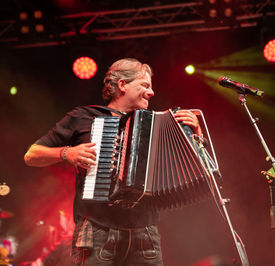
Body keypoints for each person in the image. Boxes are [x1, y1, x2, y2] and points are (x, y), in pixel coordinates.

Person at [24, 58, 203, 265]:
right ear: (122, 85)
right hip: (97, 230)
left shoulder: (155, 126)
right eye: (145, 85)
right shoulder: (84, 116)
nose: (152, 92)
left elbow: (193, 167)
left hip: (145, 234)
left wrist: (196, 136)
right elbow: (31, 155)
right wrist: (67, 153)